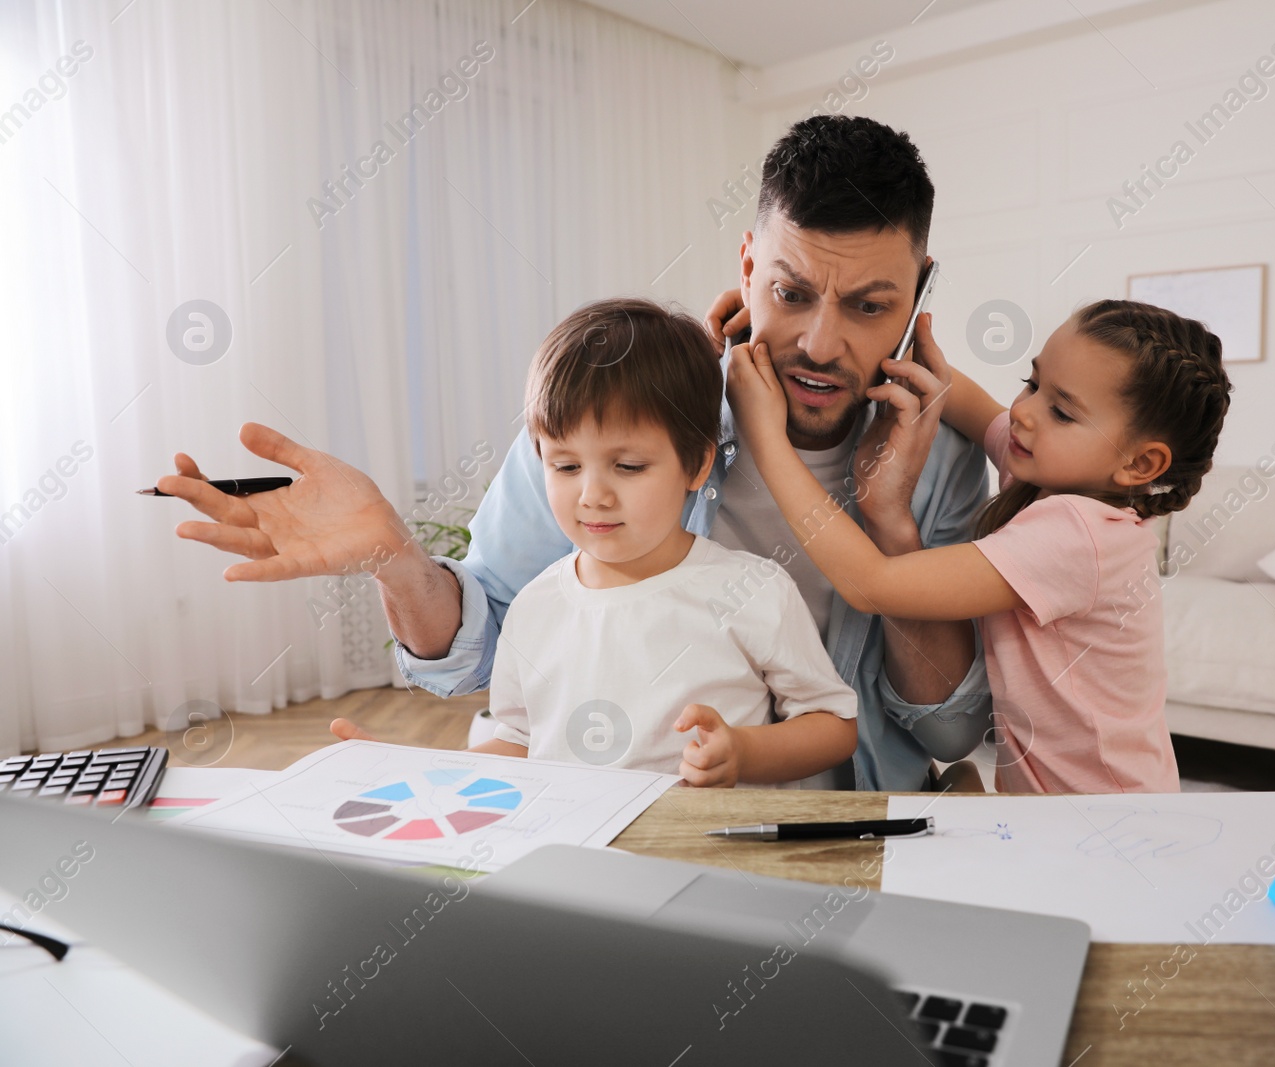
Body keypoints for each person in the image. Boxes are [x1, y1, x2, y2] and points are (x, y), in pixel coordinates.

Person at [156, 115, 991, 791]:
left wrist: (891, 524)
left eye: (869, 305)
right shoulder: (621, 415)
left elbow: (950, 731)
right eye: (790, 292)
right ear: (746, 262)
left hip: (842, 819)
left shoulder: (940, 460)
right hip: (606, 811)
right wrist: (396, 559)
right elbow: (484, 656)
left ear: (918, 293)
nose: (819, 341)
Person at [725, 299, 1233, 794]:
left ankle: (964, 791)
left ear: (1140, 466)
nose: (1025, 412)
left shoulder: (1077, 533)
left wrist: (765, 434)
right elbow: (956, 396)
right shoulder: (1045, 474)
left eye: (1061, 411)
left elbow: (870, 585)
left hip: (1109, 821)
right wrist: (778, 324)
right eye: (1032, 383)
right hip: (1045, 807)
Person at [471, 298, 854, 784]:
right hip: (575, 850)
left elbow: (833, 725)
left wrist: (743, 751)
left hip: (704, 852)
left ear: (695, 465)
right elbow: (521, 741)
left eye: (628, 466)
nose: (593, 496)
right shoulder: (534, 606)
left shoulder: (753, 589)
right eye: (565, 466)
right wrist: (416, 773)